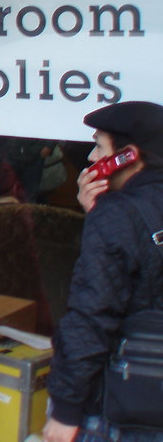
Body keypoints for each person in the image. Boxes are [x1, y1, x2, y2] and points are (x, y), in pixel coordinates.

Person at [43, 101, 163, 442]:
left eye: (99, 146)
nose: (93, 159)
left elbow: (91, 313)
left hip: (121, 405)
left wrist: (65, 409)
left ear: (127, 155)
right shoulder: (119, 213)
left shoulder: (116, 215)